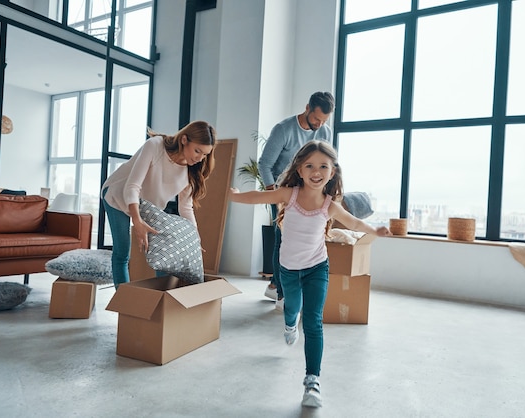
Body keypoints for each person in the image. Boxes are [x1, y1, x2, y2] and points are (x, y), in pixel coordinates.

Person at [230, 140, 391, 408]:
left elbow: (354, 222)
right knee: (292, 309)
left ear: (332, 171)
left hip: (317, 268)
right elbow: (258, 196)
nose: (316, 171)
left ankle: (312, 381)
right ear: (300, 170)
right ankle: (289, 324)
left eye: (323, 166)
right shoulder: (288, 195)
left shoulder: (330, 205)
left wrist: (375, 231)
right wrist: (235, 196)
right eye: (310, 165)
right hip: (289, 271)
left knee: (314, 321)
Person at [101, 120, 216, 288]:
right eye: (197, 151)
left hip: (147, 205)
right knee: (122, 252)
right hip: (117, 195)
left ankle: (162, 302)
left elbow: (185, 208)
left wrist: (195, 239)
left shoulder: (192, 171)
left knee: (165, 254)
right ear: (184, 140)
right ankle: (124, 302)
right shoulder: (155, 146)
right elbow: (132, 187)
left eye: (205, 154)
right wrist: (137, 221)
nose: (199, 158)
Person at [258, 91, 335, 308]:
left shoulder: (325, 132)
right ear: (307, 108)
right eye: (317, 119)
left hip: (311, 192)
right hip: (284, 191)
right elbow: (265, 164)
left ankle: (277, 285)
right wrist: (275, 196)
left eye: (324, 121)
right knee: (282, 239)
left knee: (310, 240)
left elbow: (327, 165)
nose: (319, 125)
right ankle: (282, 293)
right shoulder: (284, 130)